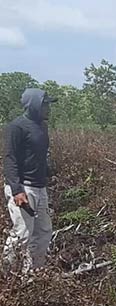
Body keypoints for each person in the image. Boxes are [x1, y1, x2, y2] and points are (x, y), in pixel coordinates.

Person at [3, 88, 56, 273]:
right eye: (45, 104)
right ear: (34, 105)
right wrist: (17, 190)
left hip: (40, 187)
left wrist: (47, 170)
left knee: (43, 232)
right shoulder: (16, 127)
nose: (48, 108)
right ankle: (6, 274)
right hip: (23, 188)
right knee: (23, 233)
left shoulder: (42, 125)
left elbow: (39, 154)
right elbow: (9, 159)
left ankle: (32, 275)